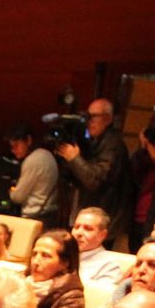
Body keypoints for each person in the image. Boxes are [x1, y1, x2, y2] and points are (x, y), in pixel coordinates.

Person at [57, 98, 131, 244]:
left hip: (103, 220)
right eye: (87, 116)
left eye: (94, 116)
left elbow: (95, 181)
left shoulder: (113, 144)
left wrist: (74, 158)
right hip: (88, 215)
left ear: (108, 119)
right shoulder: (92, 142)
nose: (88, 121)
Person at [26, 229, 85, 308]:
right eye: (34, 254)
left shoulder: (73, 299)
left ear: (65, 263)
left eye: (46, 256)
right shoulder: (18, 281)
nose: (35, 261)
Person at [6, 122, 59, 223]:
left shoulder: (32, 160)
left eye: (16, 145)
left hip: (34, 216)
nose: (13, 150)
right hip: (50, 214)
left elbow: (18, 197)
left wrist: (11, 190)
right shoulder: (47, 154)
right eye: (11, 146)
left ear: (29, 140)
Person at [72, 207, 124, 288]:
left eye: (88, 229)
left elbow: (102, 297)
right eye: (76, 227)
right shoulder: (61, 255)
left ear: (102, 235)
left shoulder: (109, 266)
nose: (78, 233)